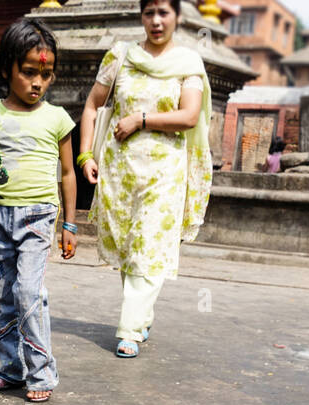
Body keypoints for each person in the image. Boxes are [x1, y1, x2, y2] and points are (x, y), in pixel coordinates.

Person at [78, 0, 212, 359]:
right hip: (119, 169)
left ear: (177, 18)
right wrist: (85, 154)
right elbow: (92, 106)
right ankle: (142, 314)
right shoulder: (120, 56)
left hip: (165, 171)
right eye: (149, 13)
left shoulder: (187, 64)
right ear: (141, 16)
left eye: (164, 13)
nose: (156, 21)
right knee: (127, 246)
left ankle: (130, 329)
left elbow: (189, 115)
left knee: (149, 244)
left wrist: (141, 119)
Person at [0, 18, 77, 404]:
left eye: (46, 74)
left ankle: (42, 371)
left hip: (38, 217)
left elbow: (67, 173)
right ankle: (12, 368)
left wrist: (71, 225)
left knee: (28, 290)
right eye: (29, 72)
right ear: (7, 67)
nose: (37, 83)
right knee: (2, 296)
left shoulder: (58, 119)